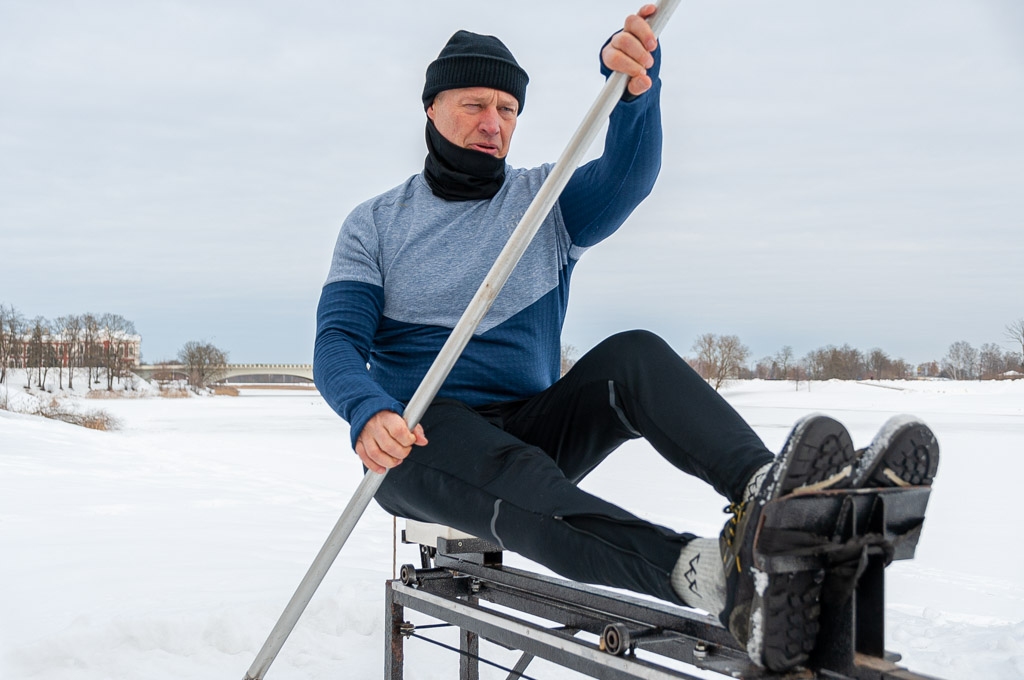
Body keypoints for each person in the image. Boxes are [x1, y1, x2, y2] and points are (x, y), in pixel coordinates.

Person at [313, 5, 940, 672]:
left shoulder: (544, 201)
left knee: (634, 355)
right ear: (432, 107)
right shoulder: (375, 224)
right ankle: (713, 577)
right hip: (416, 440)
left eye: (508, 109)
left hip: (530, 425)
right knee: (518, 476)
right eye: (475, 104)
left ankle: (776, 500)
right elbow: (336, 342)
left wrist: (638, 91)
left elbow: (628, 175)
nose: (493, 123)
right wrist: (368, 410)